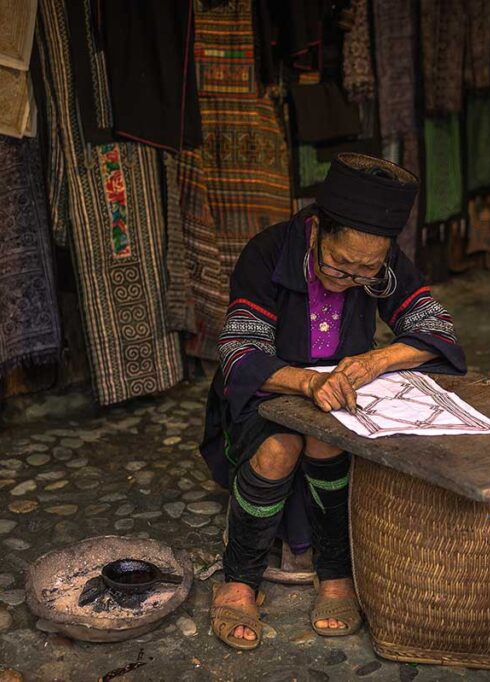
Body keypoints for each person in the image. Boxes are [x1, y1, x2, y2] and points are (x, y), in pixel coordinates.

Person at [199, 153, 466, 650]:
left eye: (365, 270)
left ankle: (337, 574)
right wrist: (303, 382)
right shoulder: (267, 252)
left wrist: (377, 361)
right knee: (279, 448)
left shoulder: (378, 263)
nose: (349, 278)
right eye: (339, 264)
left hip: (338, 399)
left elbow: (437, 330)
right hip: (272, 388)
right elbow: (239, 351)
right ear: (318, 228)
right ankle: (238, 580)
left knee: (326, 444)